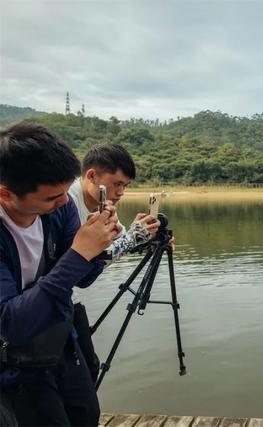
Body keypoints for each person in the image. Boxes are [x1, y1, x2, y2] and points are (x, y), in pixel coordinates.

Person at [0, 122, 119, 426]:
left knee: (86, 413)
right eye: (52, 197)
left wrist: (101, 245)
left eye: (66, 191)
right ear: (6, 194)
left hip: (58, 337)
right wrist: (80, 253)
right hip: (12, 357)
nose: (65, 202)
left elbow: (82, 278)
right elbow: (12, 323)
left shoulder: (61, 208)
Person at [67, 143, 159, 383]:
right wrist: (131, 239)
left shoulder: (103, 206)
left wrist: (146, 240)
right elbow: (83, 267)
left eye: (125, 186)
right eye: (116, 184)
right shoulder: (66, 203)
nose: (121, 192)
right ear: (91, 176)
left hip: (67, 300)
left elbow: (116, 248)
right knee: (79, 376)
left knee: (88, 368)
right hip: (56, 300)